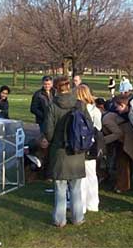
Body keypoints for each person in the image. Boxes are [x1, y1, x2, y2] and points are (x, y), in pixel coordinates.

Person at [44, 76, 86, 228]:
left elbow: (48, 132)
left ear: (56, 88)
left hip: (60, 150)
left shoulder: (52, 106)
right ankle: (78, 218)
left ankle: (59, 219)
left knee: (60, 189)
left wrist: (53, 140)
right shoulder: (80, 104)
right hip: (77, 150)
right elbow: (88, 126)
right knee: (76, 188)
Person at [102, 95, 133, 193]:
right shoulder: (111, 115)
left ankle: (122, 186)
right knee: (125, 162)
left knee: (123, 162)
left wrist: (102, 140)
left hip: (125, 139)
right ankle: (124, 183)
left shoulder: (106, 120)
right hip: (125, 137)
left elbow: (118, 133)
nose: (116, 109)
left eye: (117, 106)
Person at [76, 84, 102, 214]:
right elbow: (99, 128)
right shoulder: (95, 110)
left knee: (80, 176)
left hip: (80, 145)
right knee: (92, 175)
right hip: (91, 145)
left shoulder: (76, 110)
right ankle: (93, 203)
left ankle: (81, 203)